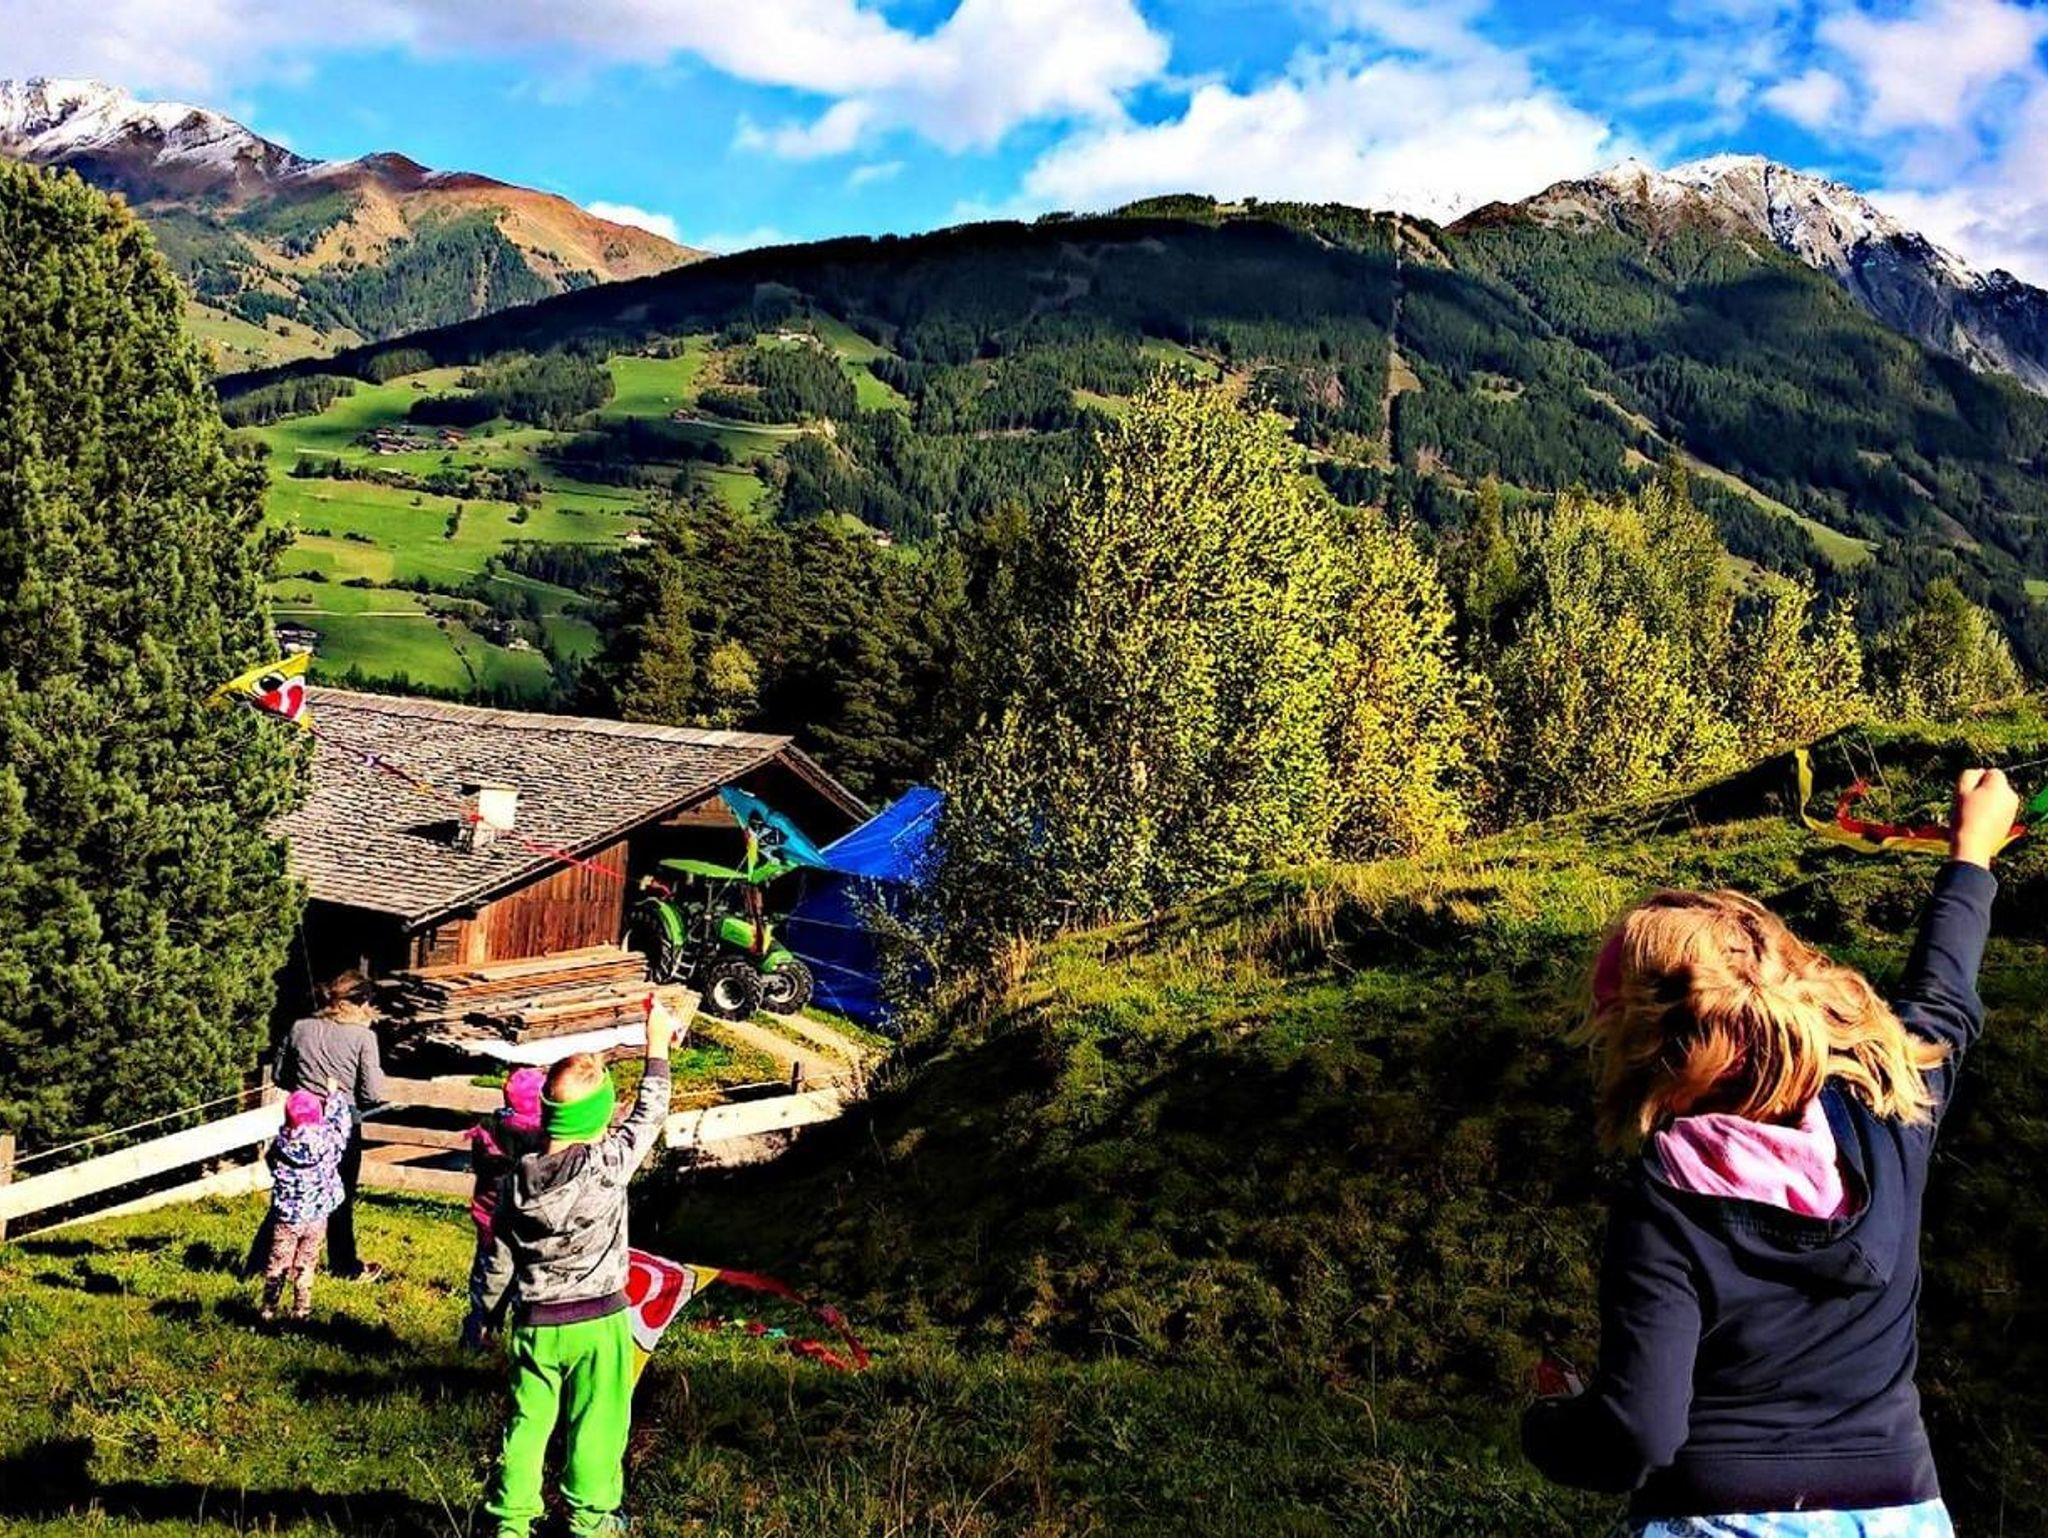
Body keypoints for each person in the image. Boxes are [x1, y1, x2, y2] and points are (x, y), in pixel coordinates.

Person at [1523, 768, 2018, 1536]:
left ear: (1645, 1048)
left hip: (1716, 1514)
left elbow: (1639, 1433)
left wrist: (1549, 1427)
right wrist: (1971, 853)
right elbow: (1943, 1000)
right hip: (1902, 1515)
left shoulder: (1668, 1195)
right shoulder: (1891, 1107)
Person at [484, 994, 677, 1538]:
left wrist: (489, 1311)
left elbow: (501, 1247)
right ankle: (590, 1522)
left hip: (536, 1323)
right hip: (598, 1320)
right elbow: (651, 1112)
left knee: (526, 1424)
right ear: (600, 1118)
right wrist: (656, 1045)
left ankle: (511, 1522)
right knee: (598, 1424)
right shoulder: (608, 1164)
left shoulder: (515, 1182)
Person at [269, 969, 391, 1279]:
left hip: (300, 1122)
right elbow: (373, 1093)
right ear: (361, 1003)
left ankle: (262, 1264)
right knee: (339, 1194)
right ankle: (344, 1266)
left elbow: (279, 1075)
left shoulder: (300, 1027)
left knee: (290, 1191)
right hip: (342, 1124)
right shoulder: (363, 1037)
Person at [461, 1066, 548, 1351]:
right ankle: (495, 1331)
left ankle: (483, 1326)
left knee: (493, 1274)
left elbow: (482, 1168)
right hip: (528, 1223)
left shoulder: (489, 1128)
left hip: (491, 1218)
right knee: (525, 1276)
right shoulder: (544, 1137)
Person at [258, 1078, 353, 1321]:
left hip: (287, 1219)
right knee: (306, 1264)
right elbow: (342, 1128)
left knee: (278, 1263)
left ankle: (268, 1310)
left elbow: (270, 1162)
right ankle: (301, 1311)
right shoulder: (328, 1143)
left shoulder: (281, 1144)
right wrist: (334, 1098)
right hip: (316, 1217)